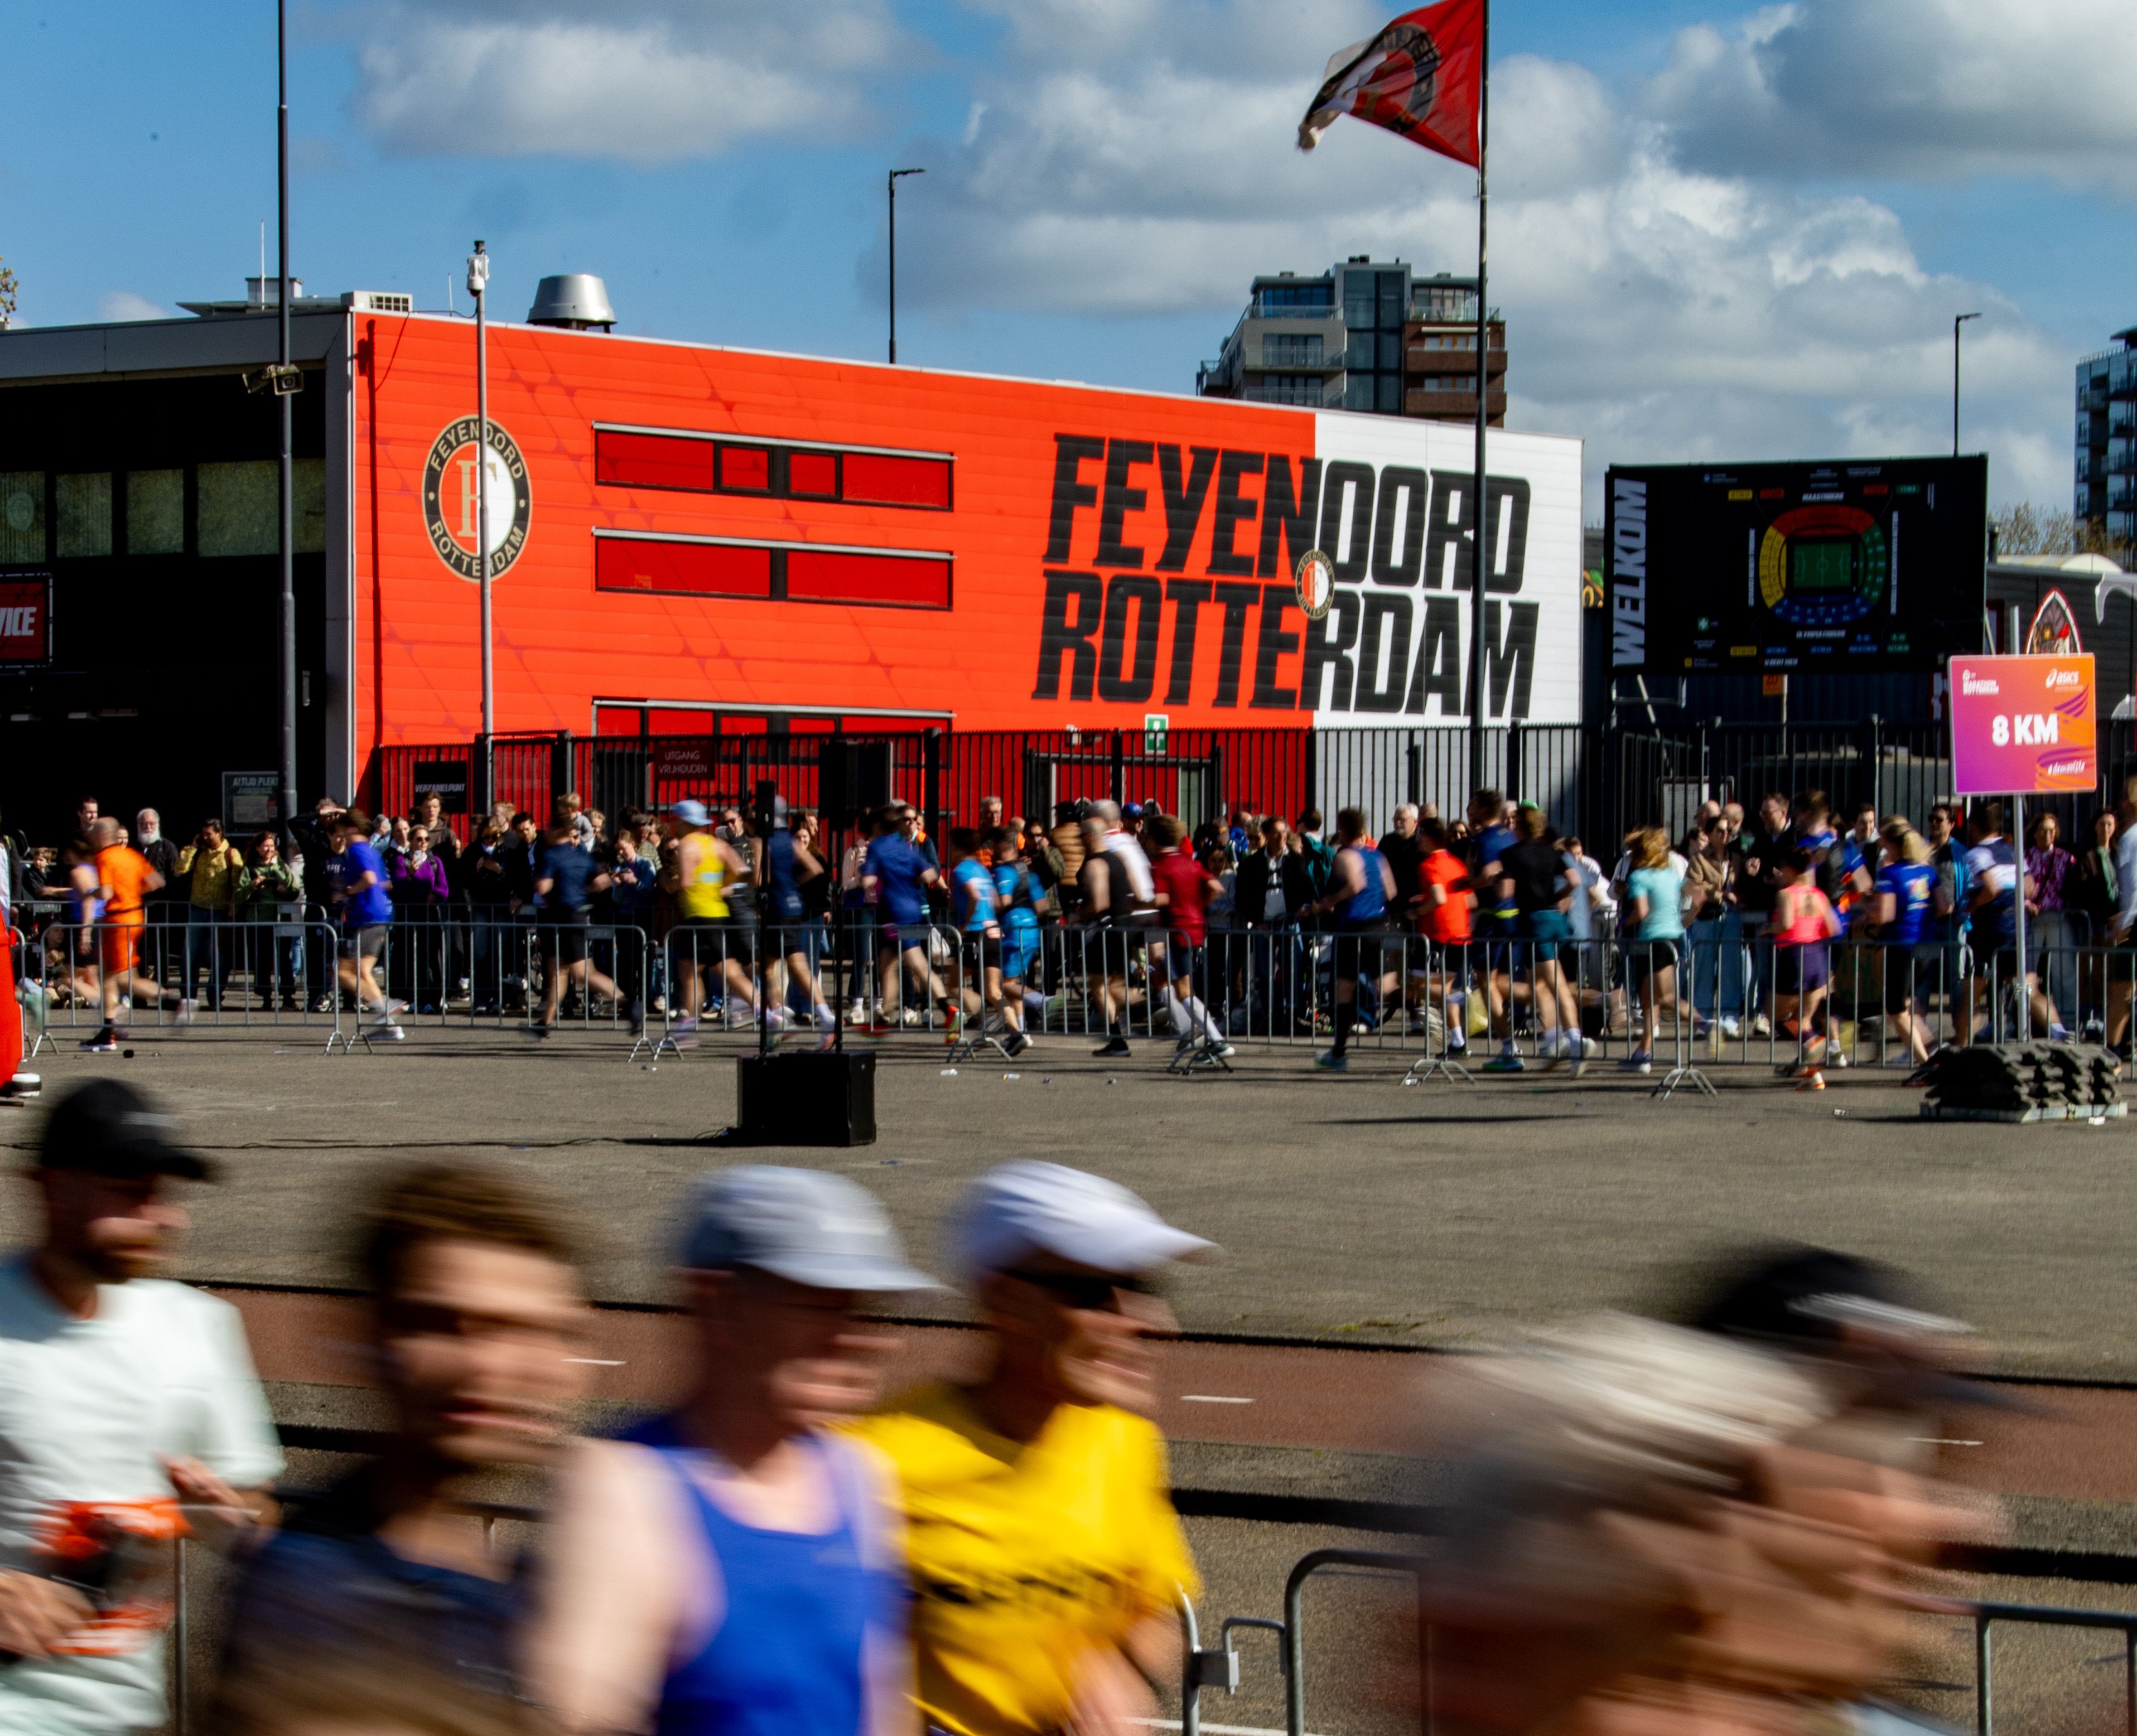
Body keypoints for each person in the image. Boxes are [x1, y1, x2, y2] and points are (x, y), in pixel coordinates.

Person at [530, 1166, 934, 1736]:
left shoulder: (859, 1473)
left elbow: (885, 1705)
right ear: (717, 1301)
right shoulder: (622, 1487)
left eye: (863, 1308)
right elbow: (577, 1714)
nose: (862, 1338)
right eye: (824, 1304)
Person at [847, 1163, 1208, 1736]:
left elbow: (1154, 1602)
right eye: (1095, 1293)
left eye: (1143, 1288)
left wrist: (1122, 1670)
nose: (1150, 1322)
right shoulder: (870, 1459)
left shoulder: (1126, 1440)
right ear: (1006, 1301)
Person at [220, 1162, 590, 1714]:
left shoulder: (518, 1581)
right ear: (369, 1340)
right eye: (448, 1325)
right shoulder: (319, 1595)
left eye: (544, 1330)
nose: (497, 1366)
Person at [0, 1080, 283, 1734]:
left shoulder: (198, 1325)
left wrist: (230, 1514)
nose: (162, 1216)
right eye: (129, 1188)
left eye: (163, 1191)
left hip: (127, 1714)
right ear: (48, 1186)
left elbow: (254, 1502)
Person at [1301, 808, 1395, 1071]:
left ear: (1343, 829)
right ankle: (1422, 1003)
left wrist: (1325, 903)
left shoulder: (1346, 856)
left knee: (1344, 989)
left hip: (1354, 928)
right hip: (1378, 925)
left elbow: (1355, 886)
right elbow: (1391, 891)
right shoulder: (1377, 855)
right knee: (1385, 986)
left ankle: (1339, 1052)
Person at [76, 815, 177, 1052]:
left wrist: (90, 895)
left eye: (94, 833)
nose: (90, 836)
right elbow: (156, 881)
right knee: (120, 977)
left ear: (102, 836)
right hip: (135, 916)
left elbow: (107, 892)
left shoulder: (104, 858)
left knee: (113, 978)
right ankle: (107, 1030)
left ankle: (173, 1003)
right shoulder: (131, 855)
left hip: (118, 920)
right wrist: (133, 891)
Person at [663, 799, 760, 1046]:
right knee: (697, 970)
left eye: (676, 820)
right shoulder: (716, 844)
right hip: (717, 913)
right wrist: (721, 884)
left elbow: (684, 882)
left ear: (684, 822)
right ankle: (687, 1029)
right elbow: (740, 870)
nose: (674, 824)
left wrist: (671, 885)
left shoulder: (687, 845)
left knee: (708, 972)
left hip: (697, 914)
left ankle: (768, 1012)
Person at [1496, 806, 1585, 1070]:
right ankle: (1552, 1039)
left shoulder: (1511, 854)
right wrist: (1558, 896)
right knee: (1540, 984)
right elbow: (1575, 879)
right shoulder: (1552, 852)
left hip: (1534, 921)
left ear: (1521, 827)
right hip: (1554, 918)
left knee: (1556, 985)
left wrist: (1497, 881)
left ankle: (1576, 1040)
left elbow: (1505, 893)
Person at [532, 802, 623, 1036]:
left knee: (583, 973)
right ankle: (545, 1022)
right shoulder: (581, 855)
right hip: (577, 914)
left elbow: (543, 887)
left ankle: (628, 1003)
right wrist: (583, 889)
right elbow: (603, 881)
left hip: (563, 915)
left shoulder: (551, 855)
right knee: (557, 971)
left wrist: (553, 885)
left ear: (554, 831)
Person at [1146, 815, 1228, 1060]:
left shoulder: (1161, 865)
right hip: (1195, 930)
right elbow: (1216, 887)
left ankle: (1216, 1040)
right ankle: (1192, 1033)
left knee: (1184, 992)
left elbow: (1161, 899)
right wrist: (1197, 906)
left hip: (1175, 931)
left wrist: (1137, 901)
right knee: (1163, 979)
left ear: (1154, 838)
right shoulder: (1189, 861)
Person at [863, 804, 947, 1032]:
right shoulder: (905, 847)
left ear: (878, 825)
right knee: (887, 964)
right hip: (914, 909)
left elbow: (868, 881)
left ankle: (949, 1009)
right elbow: (930, 873)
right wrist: (912, 880)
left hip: (894, 913)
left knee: (917, 964)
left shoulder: (877, 847)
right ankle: (885, 1014)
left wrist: (869, 884)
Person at [762, 795, 838, 1039]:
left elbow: (758, 879)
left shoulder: (766, 841)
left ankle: (776, 1015)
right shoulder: (790, 841)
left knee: (762, 965)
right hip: (794, 907)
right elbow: (815, 869)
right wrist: (794, 884)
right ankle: (825, 1015)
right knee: (798, 964)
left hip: (775, 908)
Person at [327, 809, 406, 1040]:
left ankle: (384, 1007)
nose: (340, 836)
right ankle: (388, 1024)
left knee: (342, 972)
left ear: (352, 830)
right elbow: (381, 882)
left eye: (342, 831)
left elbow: (370, 879)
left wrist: (349, 891)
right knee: (362, 971)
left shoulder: (358, 851)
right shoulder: (372, 852)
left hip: (365, 917)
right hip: (379, 916)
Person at [1770, 844, 1842, 1081]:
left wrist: (1767, 930)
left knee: (1775, 1015)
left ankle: (1810, 1041)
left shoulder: (1787, 894)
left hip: (1794, 956)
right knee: (1803, 1019)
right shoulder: (1818, 894)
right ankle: (1811, 1074)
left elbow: (1786, 923)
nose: (1780, 873)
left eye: (1782, 869)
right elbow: (1834, 927)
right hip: (1817, 956)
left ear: (1791, 870)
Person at [1868, 818, 1937, 1065]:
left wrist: (1868, 907)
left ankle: (1925, 1064)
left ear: (1891, 843)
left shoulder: (1889, 874)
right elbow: (1941, 906)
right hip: (1926, 945)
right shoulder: (1927, 871)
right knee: (1907, 1005)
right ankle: (1935, 1051)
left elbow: (1884, 915)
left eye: (1883, 839)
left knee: (1896, 1009)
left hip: (1900, 946)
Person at [1620, 825, 1686, 1076]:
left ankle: (1706, 1024)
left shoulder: (1640, 877)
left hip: (1653, 940)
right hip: (1671, 936)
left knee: (1665, 997)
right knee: (1649, 999)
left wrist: (1623, 923)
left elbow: (1641, 912)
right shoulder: (1669, 873)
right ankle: (1643, 1053)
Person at [175, 816, 243, 1013]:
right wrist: (192, 848)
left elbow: (237, 883)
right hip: (197, 908)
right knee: (190, 953)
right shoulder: (199, 852)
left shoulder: (231, 854)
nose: (205, 837)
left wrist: (233, 910)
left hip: (220, 911)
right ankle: (188, 996)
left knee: (219, 956)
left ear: (219, 833)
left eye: (209, 834)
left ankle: (215, 996)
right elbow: (180, 869)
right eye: (203, 834)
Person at [234, 828, 305, 1013]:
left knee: (284, 960)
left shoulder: (281, 866)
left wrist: (280, 881)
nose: (268, 850)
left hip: (281, 919)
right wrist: (253, 885)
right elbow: (239, 896)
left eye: (272, 846)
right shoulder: (249, 869)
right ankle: (266, 997)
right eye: (265, 846)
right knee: (263, 960)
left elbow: (293, 890)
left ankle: (288, 997)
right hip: (259, 920)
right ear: (257, 848)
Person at [990, 826, 1045, 1057]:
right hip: (1032, 927)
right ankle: (1021, 1032)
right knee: (1012, 980)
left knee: (1002, 985)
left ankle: (1042, 1001)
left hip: (1013, 929)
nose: (992, 852)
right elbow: (1043, 906)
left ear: (1004, 847)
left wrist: (985, 905)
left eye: (994, 848)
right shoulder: (1029, 873)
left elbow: (1003, 901)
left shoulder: (1005, 871)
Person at [948, 828, 1005, 1043]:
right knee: (993, 991)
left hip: (974, 932)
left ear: (959, 847)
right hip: (993, 930)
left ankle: (982, 1016)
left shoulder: (961, 870)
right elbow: (997, 902)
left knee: (953, 984)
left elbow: (974, 896)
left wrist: (965, 921)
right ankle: (1016, 1028)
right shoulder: (982, 869)